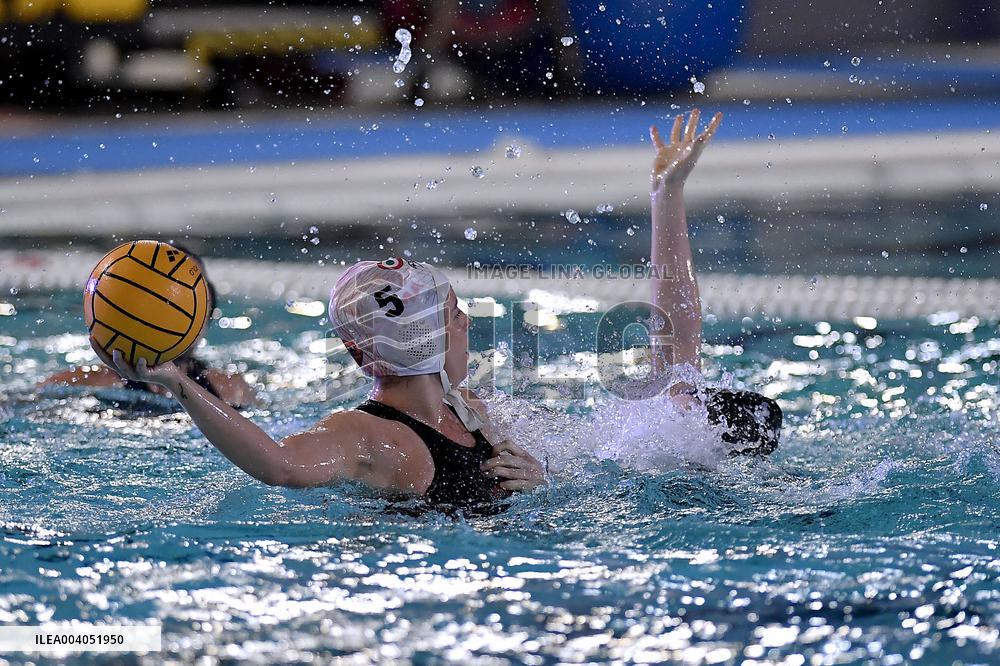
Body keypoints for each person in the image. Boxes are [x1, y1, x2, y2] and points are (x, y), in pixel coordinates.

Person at [96, 109, 775, 513]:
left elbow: (671, 364)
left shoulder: (473, 413)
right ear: (434, 333)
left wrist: (542, 478)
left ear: (360, 353)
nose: (469, 325)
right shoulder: (373, 437)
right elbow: (277, 466)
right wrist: (181, 385)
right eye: (456, 316)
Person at [42, 247, 255, 410]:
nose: (168, 313)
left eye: (187, 305)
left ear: (208, 315)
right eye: (161, 302)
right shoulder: (87, 385)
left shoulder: (230, 389)